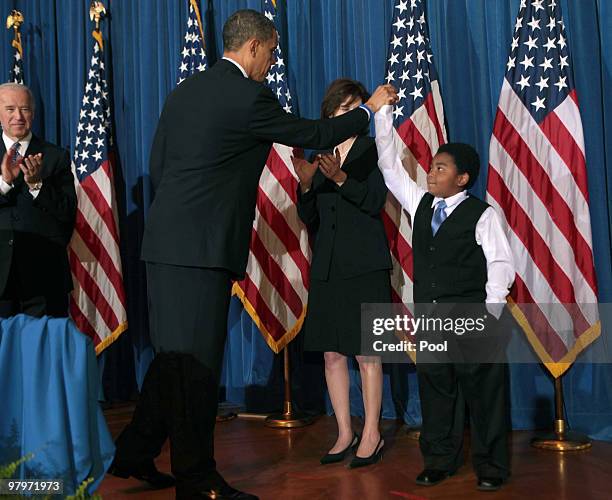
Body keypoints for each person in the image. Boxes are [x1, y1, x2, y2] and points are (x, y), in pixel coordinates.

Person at [111, 9, 398, 500]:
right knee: (196, 366)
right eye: (269, 52)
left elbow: (159, 163)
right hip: (201, 249)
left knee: (173, 360)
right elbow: (314, 134)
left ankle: (135, 454)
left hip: (166, 245)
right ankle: (196, 480)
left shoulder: (184, 91)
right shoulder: (248, 95)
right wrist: (367, 109)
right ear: (253, 47)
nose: (270, 62)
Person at [374, 104, 515, 491]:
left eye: (441, 168)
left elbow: (501, 265)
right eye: (432, 166)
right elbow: (389, 168)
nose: (431, 173)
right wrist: (382, 117)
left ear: (463, 178)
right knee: (437, 392)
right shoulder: (421, 204)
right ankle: (438, 461)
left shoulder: (483, 215)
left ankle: (491, 467)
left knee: (483, 397)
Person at [293, 79, 391, 468]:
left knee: (367, 353)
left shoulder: (371, 150)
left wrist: (339, 179)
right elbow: (311, 218)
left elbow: (373, 202)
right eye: (341, 109)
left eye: (355, 107)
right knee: (333, 353)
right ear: (329, 116)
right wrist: (305, 188)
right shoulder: (322, 156)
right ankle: (345, 432)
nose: (348, 113)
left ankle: (372, 433)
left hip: (364, 265)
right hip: (328, 268)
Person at [0, 83, 76, 318]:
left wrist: (36, 184)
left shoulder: (55, 156)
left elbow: (66, 213)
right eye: (10, 109)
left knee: (42, 351)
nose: (18, 117)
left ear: (33, 113)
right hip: (1, 278)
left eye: (25, 109)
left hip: (44, 278)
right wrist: (4, 183)